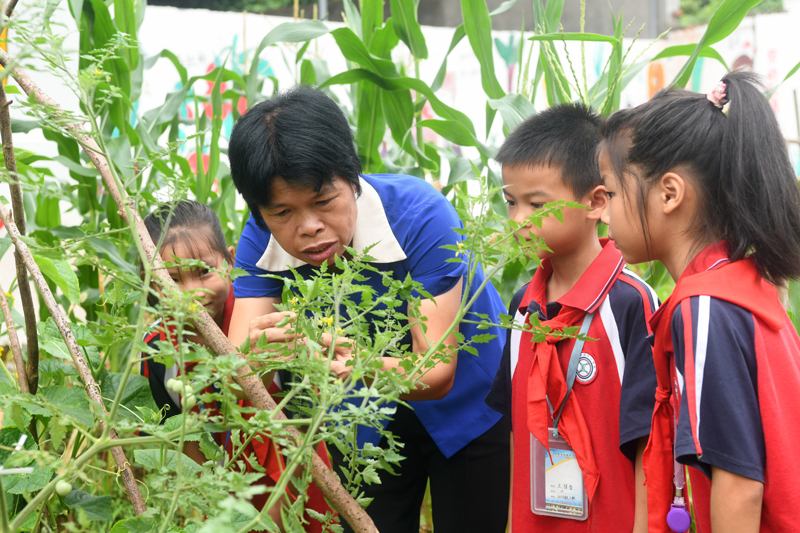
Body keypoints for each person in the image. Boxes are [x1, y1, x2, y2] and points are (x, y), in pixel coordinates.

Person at [226, 86, 510, 533]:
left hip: (465, 395)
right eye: (282, 212)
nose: (309, 227)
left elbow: (436, 373)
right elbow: (239, 369)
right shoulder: (259, 240)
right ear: (259, 212)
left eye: (323, 202)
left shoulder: (422, 216)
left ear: (353, 178)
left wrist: (347, 365)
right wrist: (255, 357)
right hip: (358, 412)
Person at [599, 70, 800, 533]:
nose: (603, 213)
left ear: (669, 193)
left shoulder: (705, 308)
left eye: (610, 193)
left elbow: (739, 484)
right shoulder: (742, 285)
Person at [484, 103, 658, 533]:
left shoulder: (629, 303)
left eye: (536, 204)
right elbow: (515, 434)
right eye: (511, 202)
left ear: (596, 202)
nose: (518, 220)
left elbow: (650, 442)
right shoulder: (523, 307)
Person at [140, 200, 334, 533]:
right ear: (151, 283)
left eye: (203, 271)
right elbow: (183, 441)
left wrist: (271, 517)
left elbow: (304, 426)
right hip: (221, 491)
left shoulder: (263, 324)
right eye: (172, 281)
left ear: (230, 260)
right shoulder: (157, 350)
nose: (192, 293)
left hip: (293, 476)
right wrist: (214, 503)